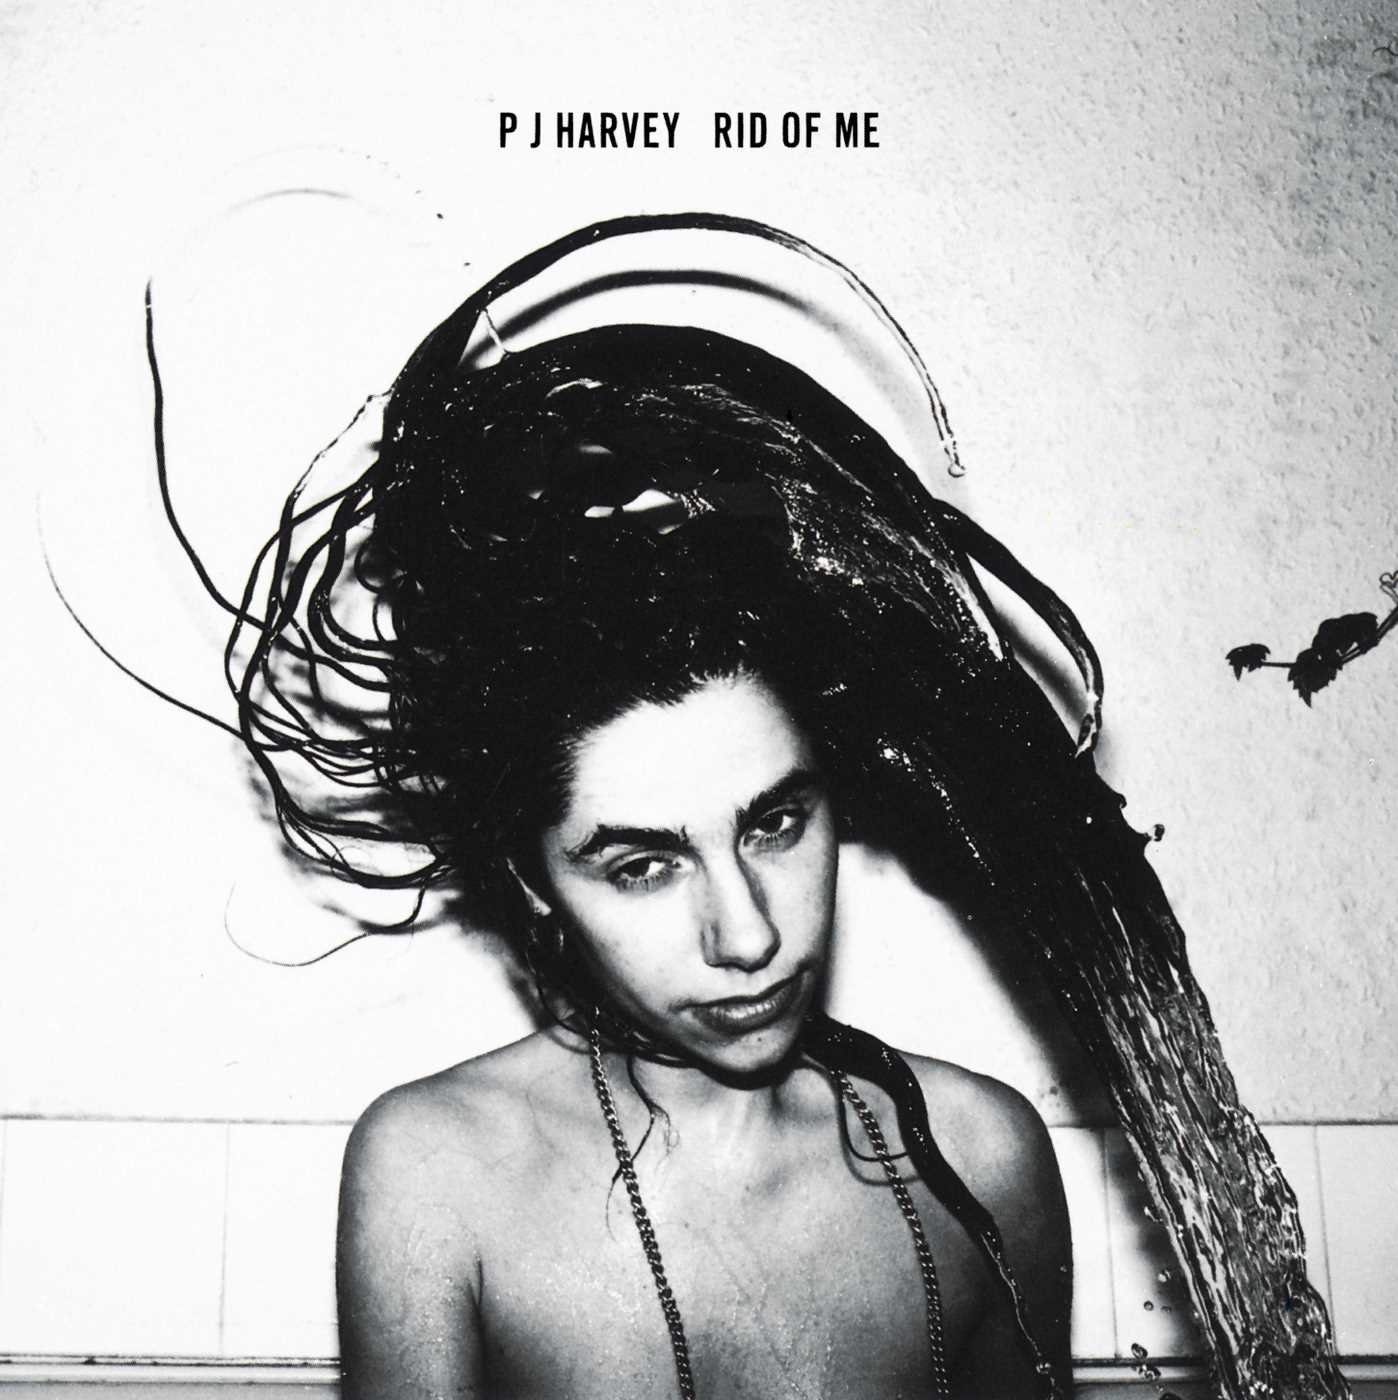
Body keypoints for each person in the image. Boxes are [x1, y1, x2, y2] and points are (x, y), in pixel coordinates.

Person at [132, 214, 1338, 1400]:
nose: (750, 933)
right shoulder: (439, 1176)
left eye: (774, 823)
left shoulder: (984, 1159)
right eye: (644, 864)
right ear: (533, 880)